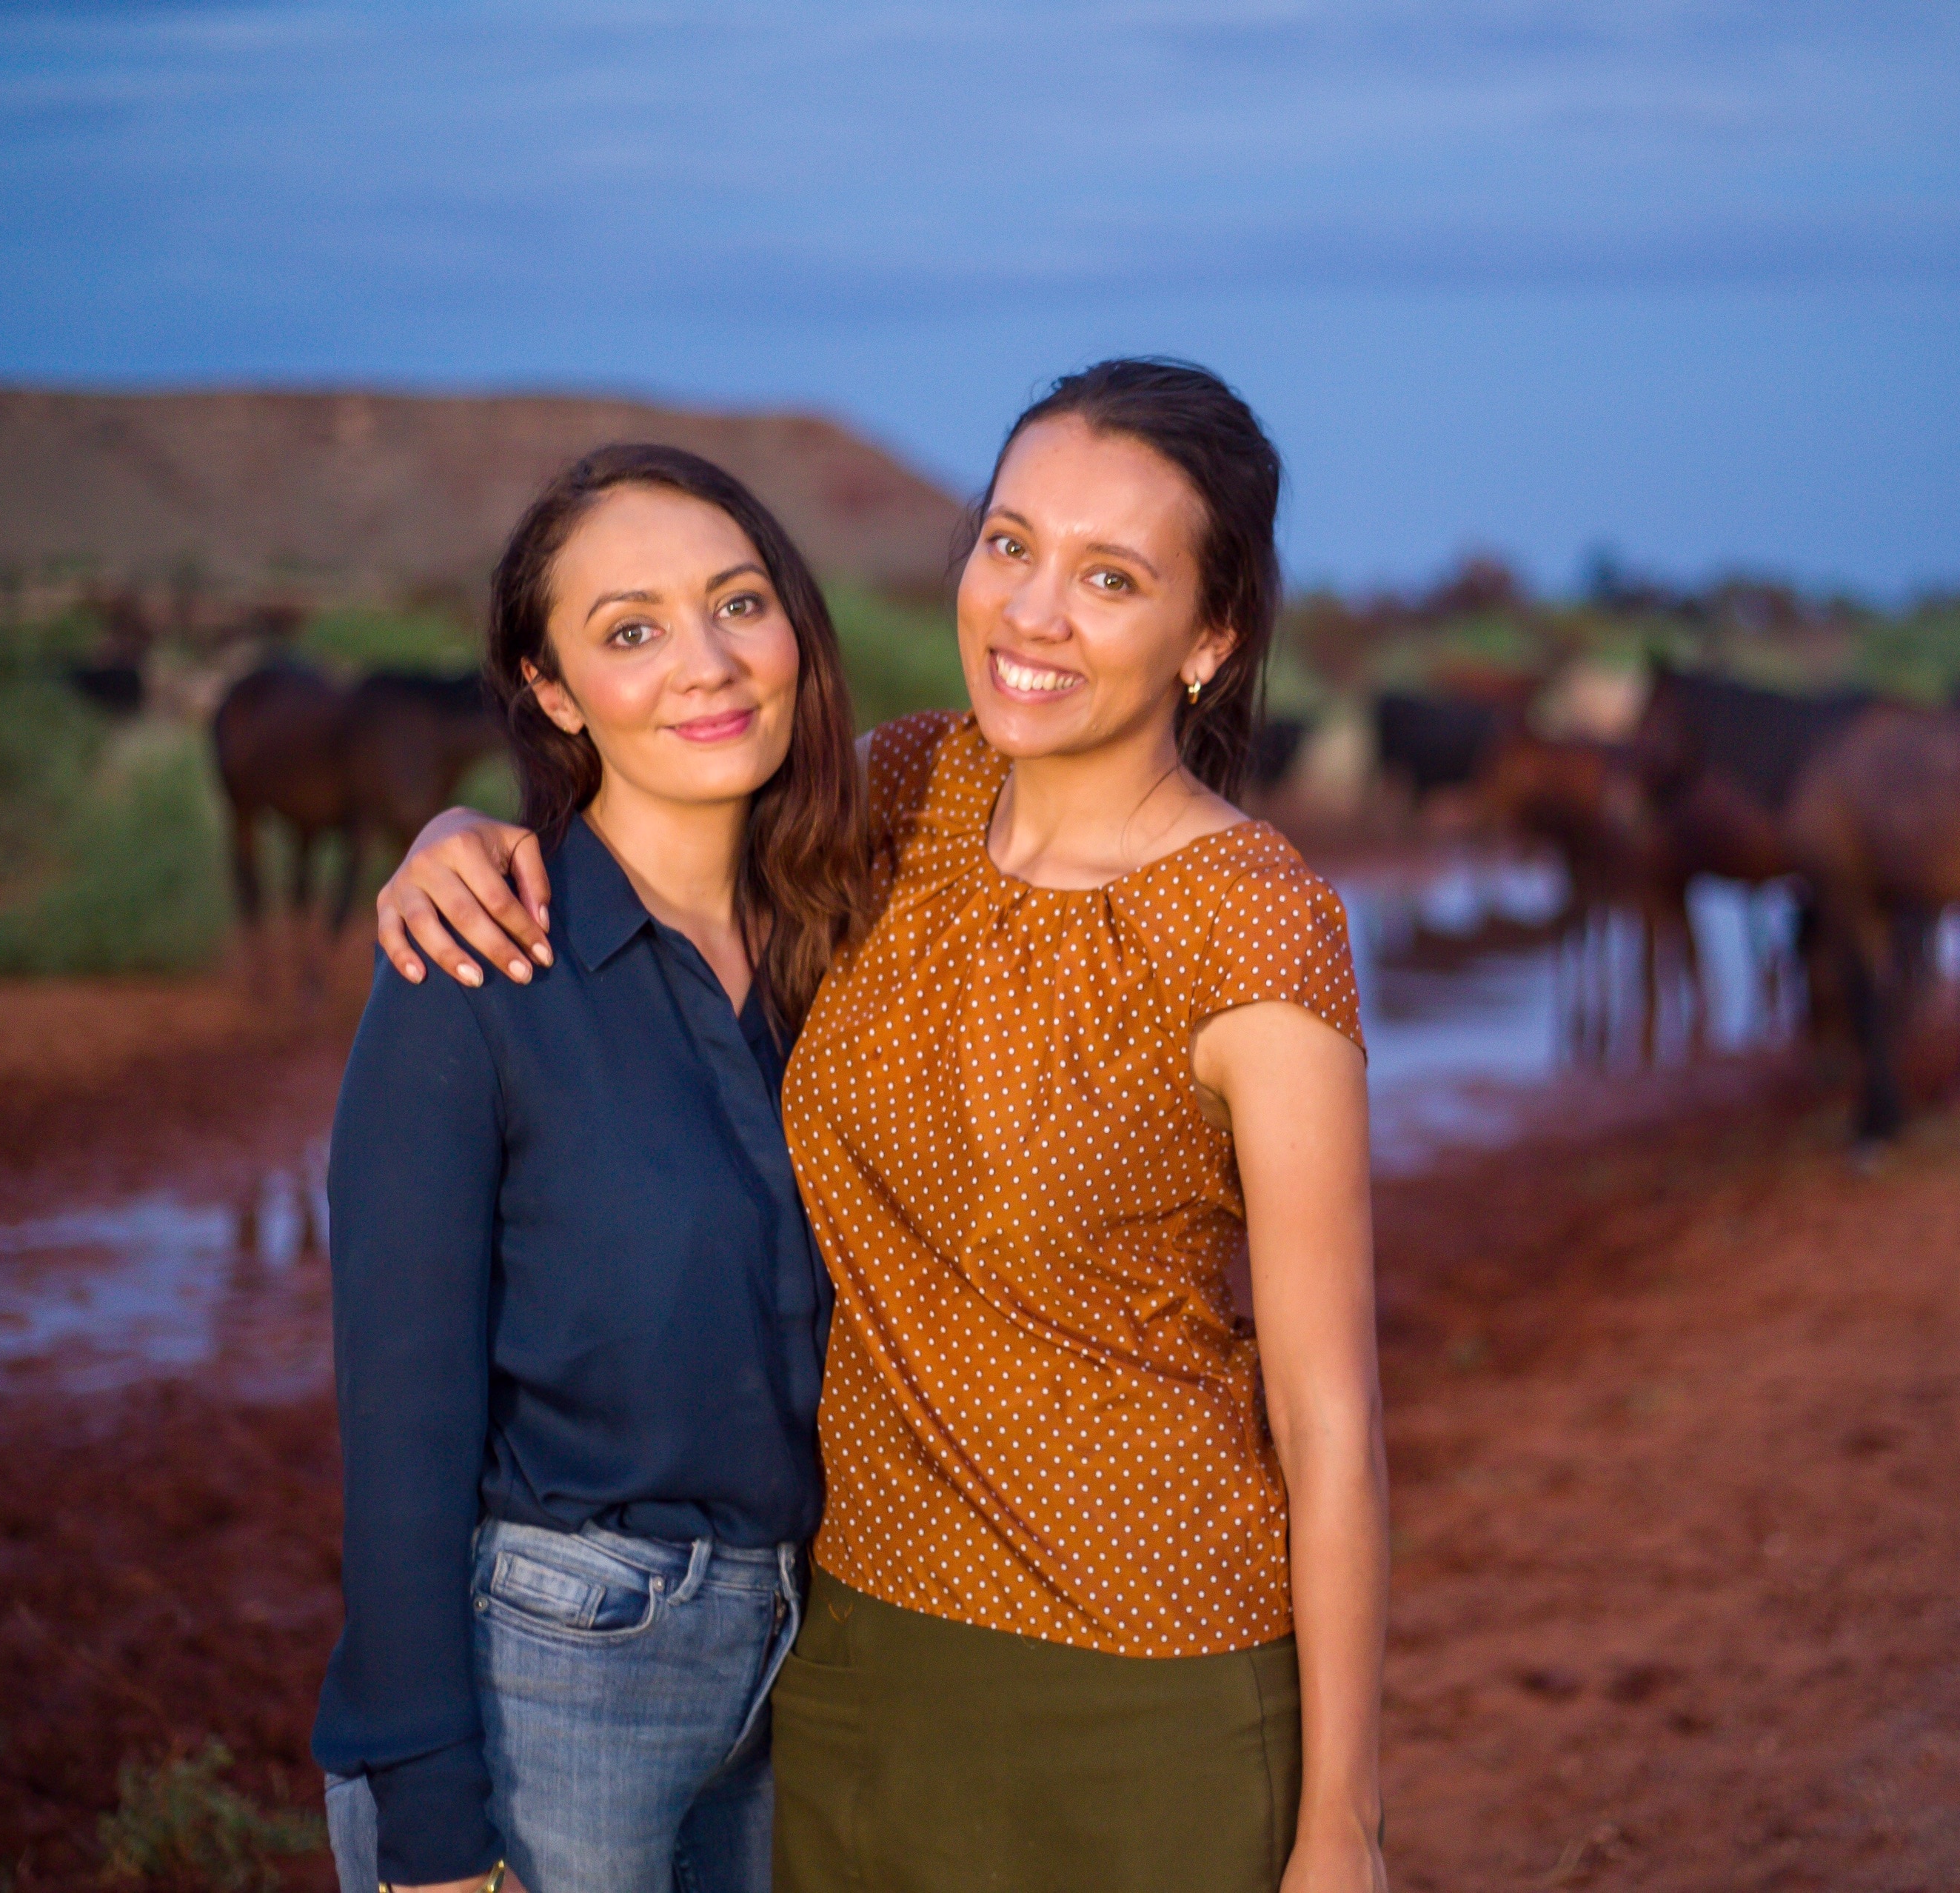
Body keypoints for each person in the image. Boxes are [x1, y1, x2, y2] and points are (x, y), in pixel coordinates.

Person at [378, 360, 1390, 1892]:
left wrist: (1343, 1829)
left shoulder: (1253, 928)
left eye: (1109, 577)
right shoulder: (902, 794)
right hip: (851, 1663)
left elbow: (1331, 1425)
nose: (1032, 613)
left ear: (1211, 634)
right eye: (1009, 544)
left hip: (1148, 1676)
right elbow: (661, 790)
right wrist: (460, 836)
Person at [315, 443, 863, 1893]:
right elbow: (398, 1407)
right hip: (551, 1681)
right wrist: (429, 1815)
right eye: (630, 630)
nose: (706, 664)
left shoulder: (847, 947)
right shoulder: (475, 963)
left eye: (737, 603)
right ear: (550, 690)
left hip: (799, 1669)